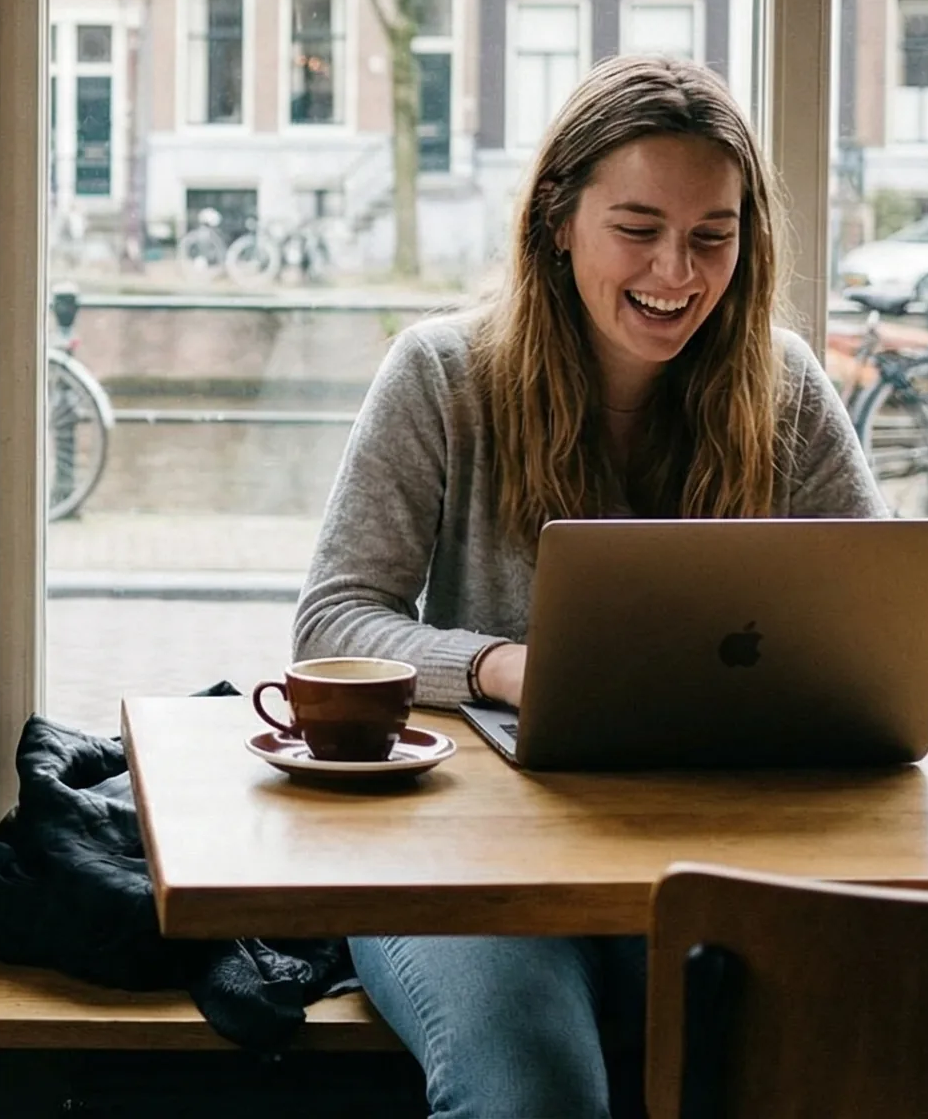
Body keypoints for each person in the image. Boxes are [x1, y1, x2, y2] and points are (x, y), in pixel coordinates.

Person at [293, 56, 884, 1119]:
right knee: (532, 1094)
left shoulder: (785, 388)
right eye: (638, 226)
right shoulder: (441, 374)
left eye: (713, 234)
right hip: (465, 860)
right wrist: (505, 668)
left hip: (721, 849)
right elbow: (333, 623)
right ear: (556, 222)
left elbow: (880, 622)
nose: (677, 269)